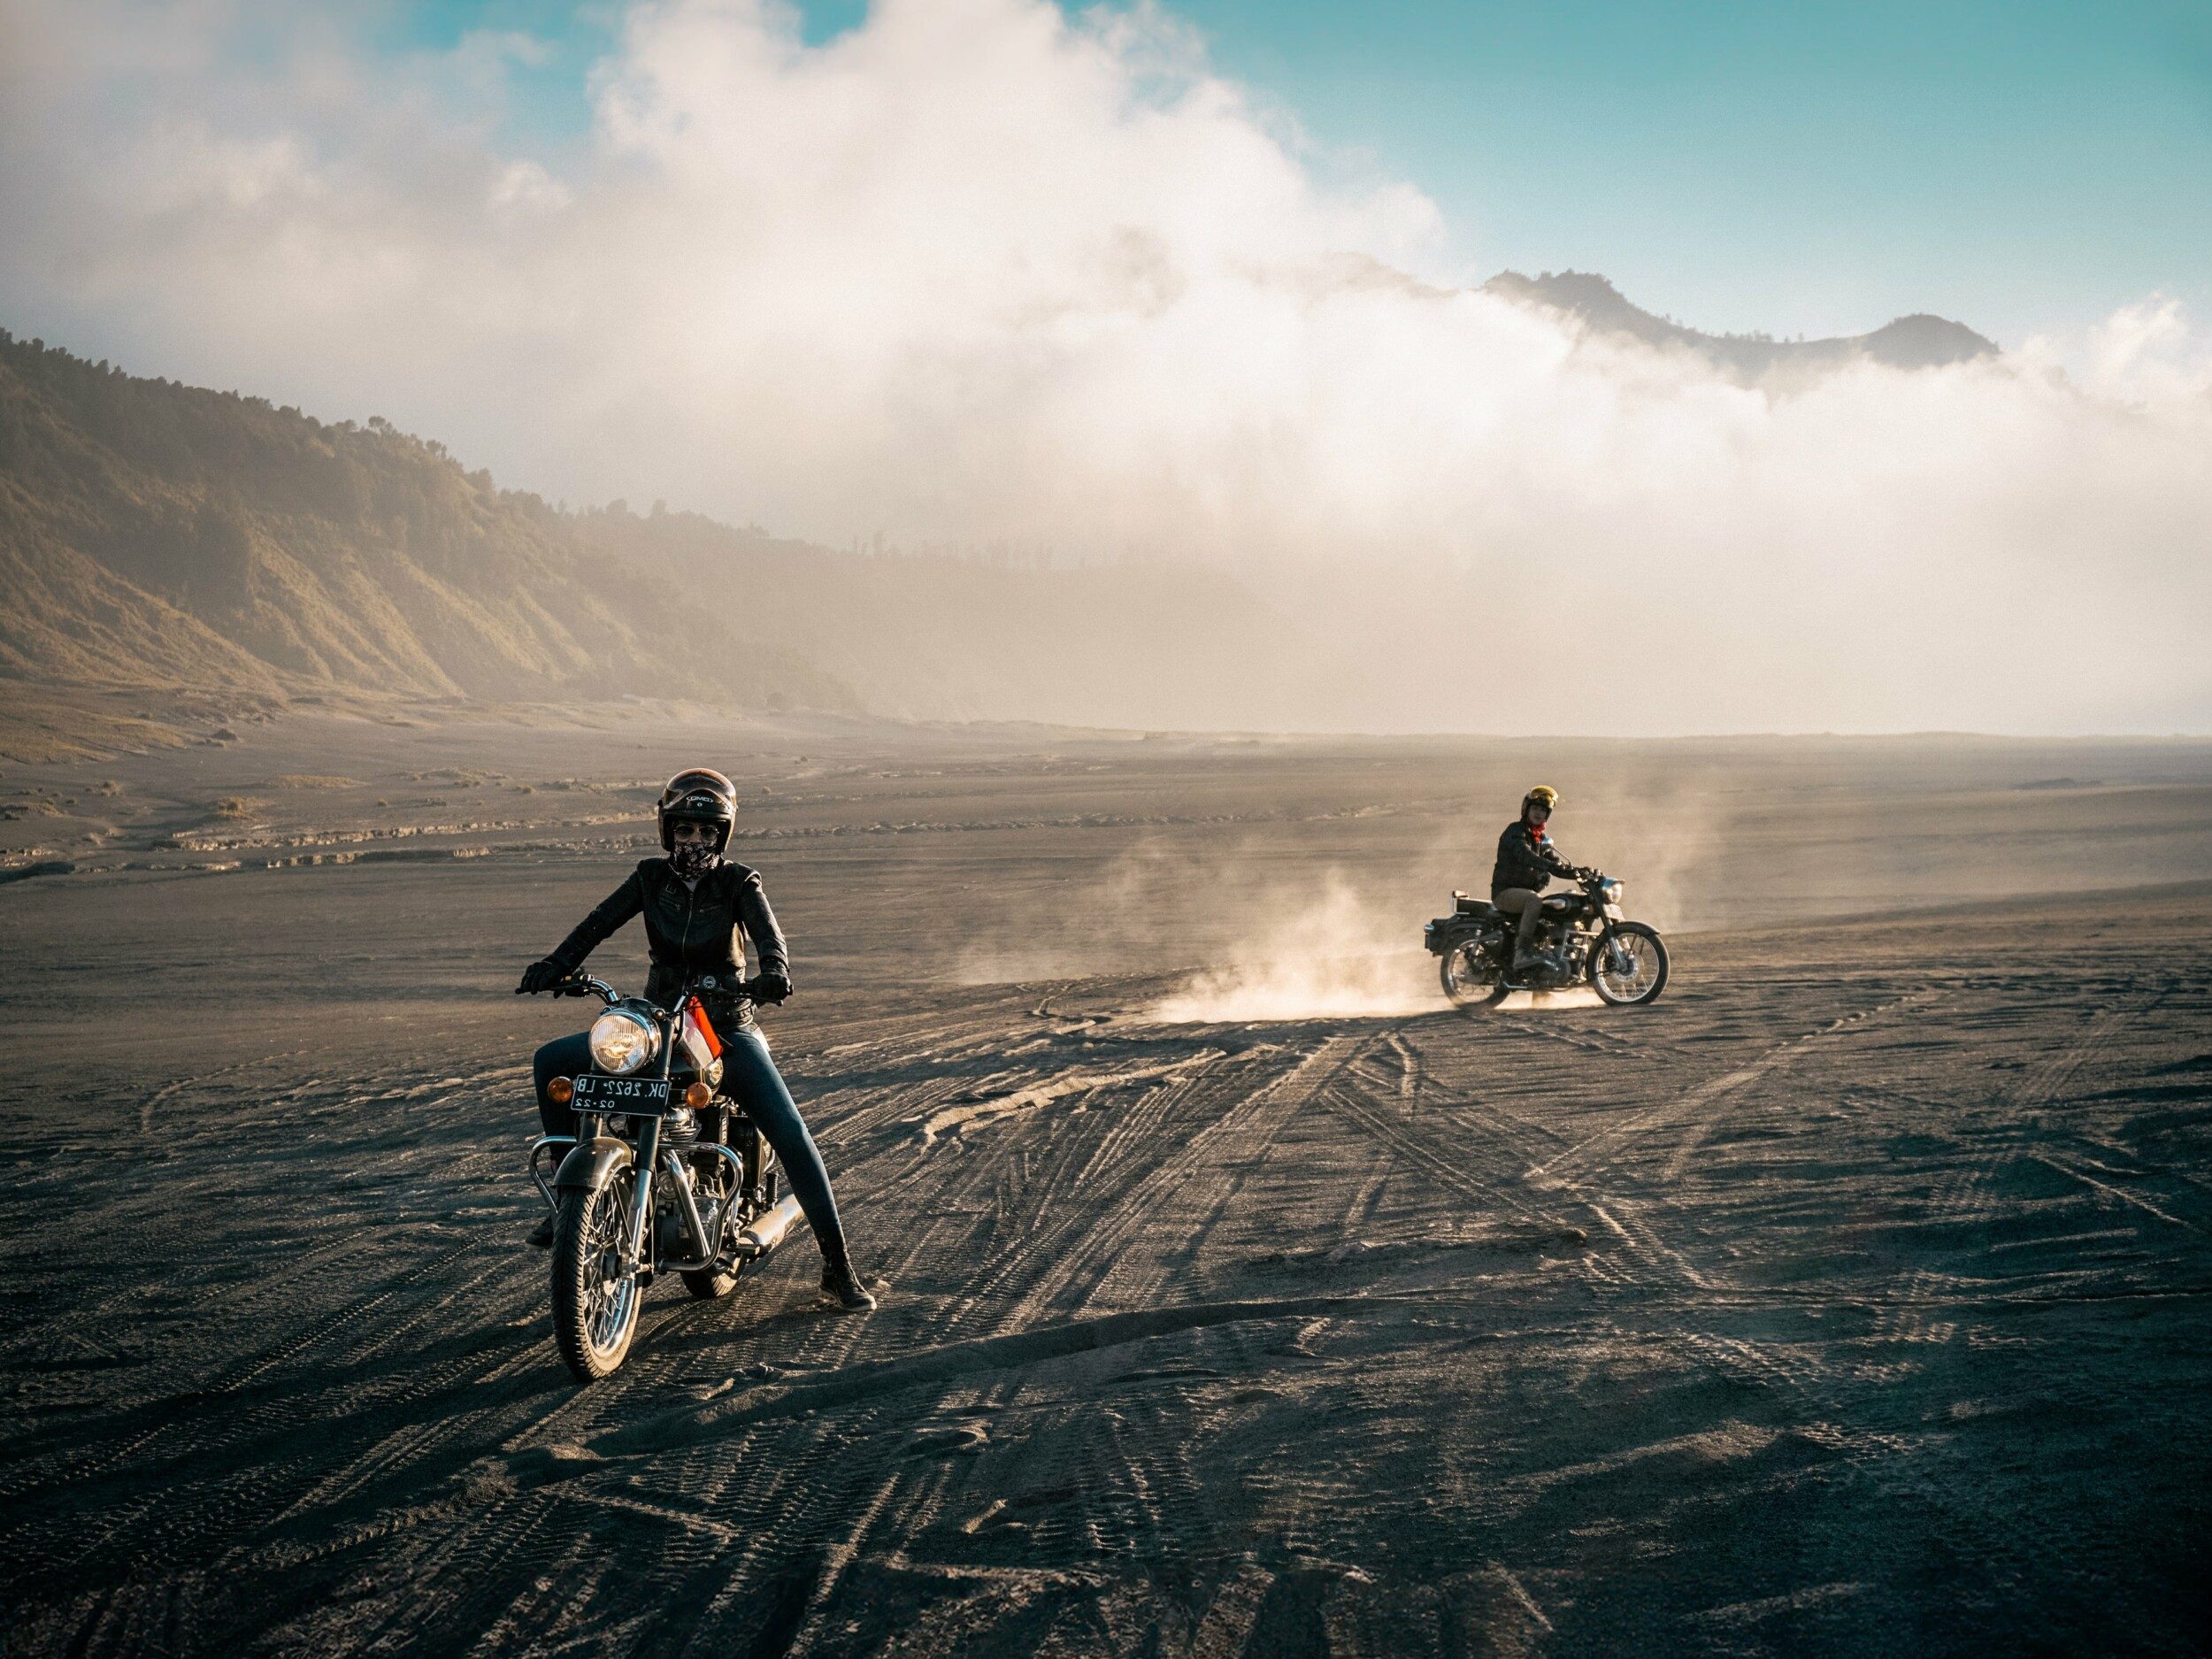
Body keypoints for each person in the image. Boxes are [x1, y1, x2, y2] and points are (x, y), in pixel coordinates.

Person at [515, 766, 876, 1311]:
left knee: (791, 1130)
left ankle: (837, 1265)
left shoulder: (739, 883)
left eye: (707, 833)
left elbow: (768, 937)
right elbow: (597, 924)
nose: (695, 842)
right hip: (656, 1024)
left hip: (724, 1026)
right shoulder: (648, 878)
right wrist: (557, 964)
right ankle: (571, 1204)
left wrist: (774, 972)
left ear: (722, 836)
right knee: (553, 1064)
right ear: (668, 831)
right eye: (685, 831)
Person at [1490, 784, 1580, 973]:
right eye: (1535, 808)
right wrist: (1548, 865)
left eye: (1543, 810)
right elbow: (1525, 854)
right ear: (1527, 810)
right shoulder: (1516, 832)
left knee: (1564, 908)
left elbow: (1555, 864)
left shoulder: (1540, 839)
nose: (1539, 813)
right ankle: (1522, 953)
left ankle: (1549, 972)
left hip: (1524, 893)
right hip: (1505, 893)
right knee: (1534, 901)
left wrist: (1579, 872)